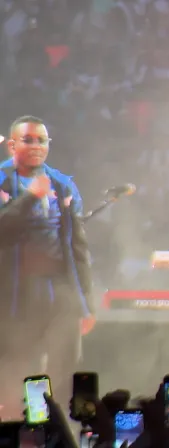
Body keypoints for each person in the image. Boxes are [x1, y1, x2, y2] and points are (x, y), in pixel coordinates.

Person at [0, 116, 96, 416]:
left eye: (42, 140)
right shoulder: (2, 181)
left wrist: (87, 303)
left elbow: (79, 248)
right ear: (12, 145)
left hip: (61, 292)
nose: (36, 146)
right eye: (28, 140)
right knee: (23, 370)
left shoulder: (63, 184)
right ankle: (31, 424)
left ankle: (58, 426)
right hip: (17, 296)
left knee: (63, 368)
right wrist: (30, 197)